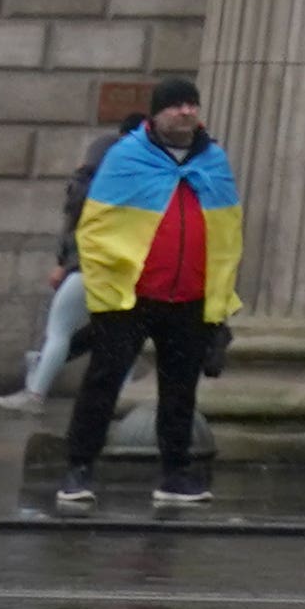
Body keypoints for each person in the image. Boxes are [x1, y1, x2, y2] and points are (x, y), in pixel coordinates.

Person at [52, 78, 236, 514]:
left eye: (191, 104)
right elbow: (94, 229)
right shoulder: (126, 158)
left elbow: (228, 234)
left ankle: (175, 474)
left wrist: (220, 300)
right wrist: (106, 285)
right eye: (175, 105)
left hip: (189, 297)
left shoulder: (214, 160)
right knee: (103, 384)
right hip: (130, 297)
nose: (185, 112)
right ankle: (78, 469)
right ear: (156, 114)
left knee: (179, 391)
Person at [0, 122, 126, 419]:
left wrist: (62, 264)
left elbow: (74, 229)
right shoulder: (132, 188)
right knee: (117, 337)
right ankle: (122, 397)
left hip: (85, 269)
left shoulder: (89, 188)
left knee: (59, 331)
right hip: (120, 273)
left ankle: (35, 392)